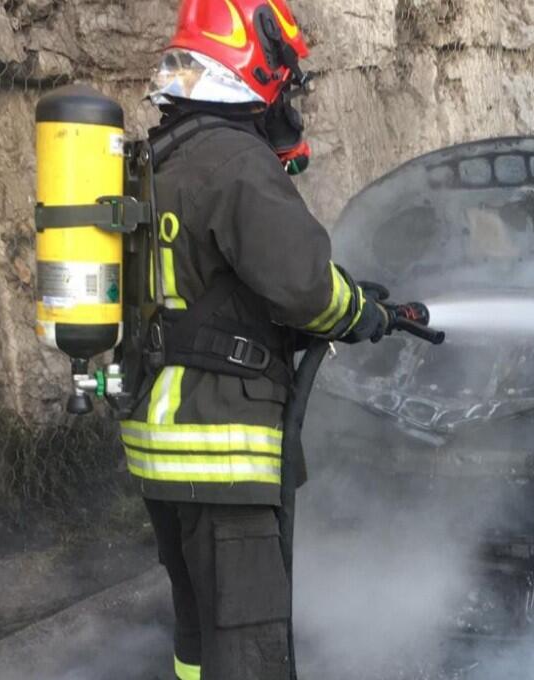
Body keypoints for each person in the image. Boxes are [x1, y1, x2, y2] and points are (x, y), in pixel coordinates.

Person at [127, 1, 390, 678]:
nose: (286, 97)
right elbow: (304, 284)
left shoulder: (156, 160)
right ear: (255, 62)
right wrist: (359, 310)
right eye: (285, 78)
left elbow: (216, 296)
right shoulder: (235, 163)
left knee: (199, 639)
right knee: (249, 648)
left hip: (162, 451)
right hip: (223, 450)